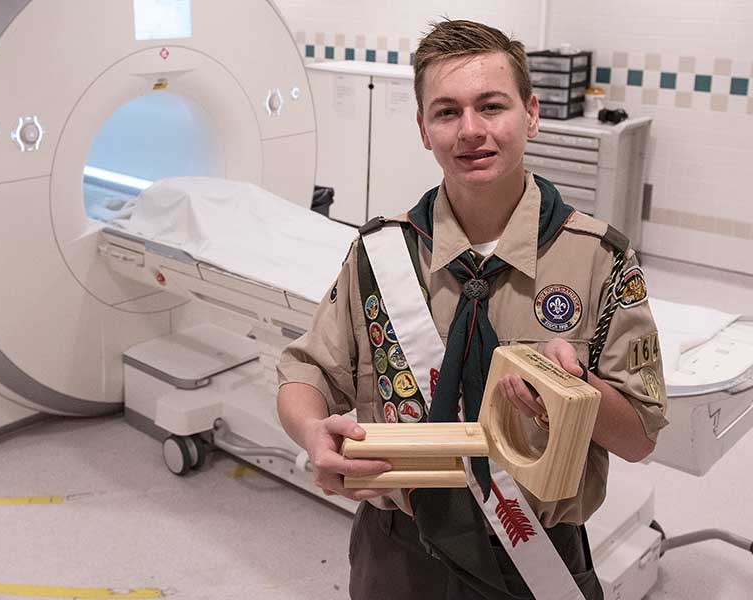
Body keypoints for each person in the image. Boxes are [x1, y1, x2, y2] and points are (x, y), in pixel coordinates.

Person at [277, 18, 667, 600]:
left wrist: (576, 389)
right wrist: (312, 432)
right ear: (422, 128)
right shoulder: (380, 254)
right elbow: (305, 373)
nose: (471, 131)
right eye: (446, 112)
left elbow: (639, 438)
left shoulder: (599, 259)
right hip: (400, 551)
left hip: (538, 552)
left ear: (531, 114)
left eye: (492, 106)